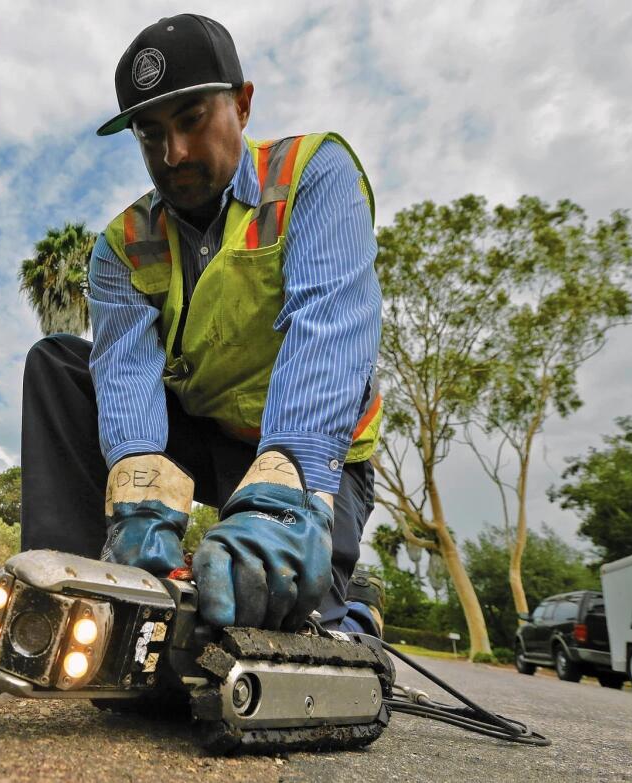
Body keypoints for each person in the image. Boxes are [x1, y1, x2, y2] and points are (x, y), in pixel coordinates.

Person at [21, 13, 382, 636]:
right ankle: (69, 601)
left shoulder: (312, 174)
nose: (173, 154)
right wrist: (138, 500)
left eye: (191, 120)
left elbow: (328, 327)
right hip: (204, 434)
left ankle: (350, 613)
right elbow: (126, 376)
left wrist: (285, 489)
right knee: (58, 364)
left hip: (319, 450)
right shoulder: (122, 246)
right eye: (149, 133)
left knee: (278, 625)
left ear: (241, 106)